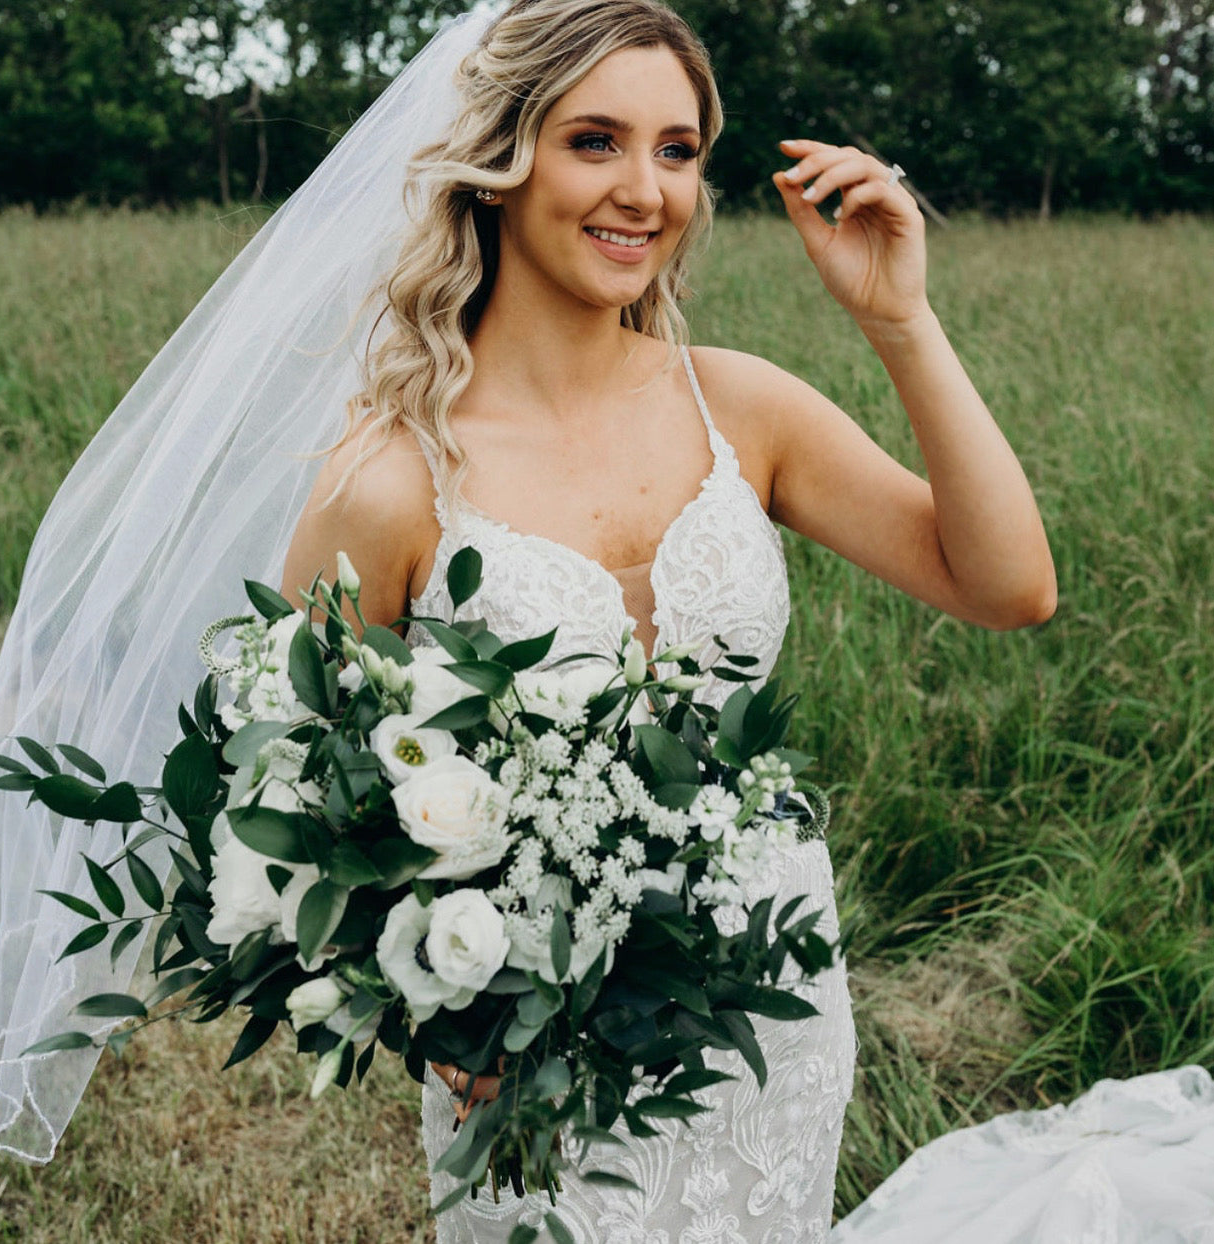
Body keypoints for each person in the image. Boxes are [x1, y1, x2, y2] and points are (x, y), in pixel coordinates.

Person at [275, 0, 1054, 1238]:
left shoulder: (739, 407)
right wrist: (442, 1006)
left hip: (767, 1005)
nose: (645, 191)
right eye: (595, 141)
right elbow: (300, 784)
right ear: (500, 159)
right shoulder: (389, 477)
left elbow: (1007, 585)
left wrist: (897, 320)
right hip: (529, 1038)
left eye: (677, 150)